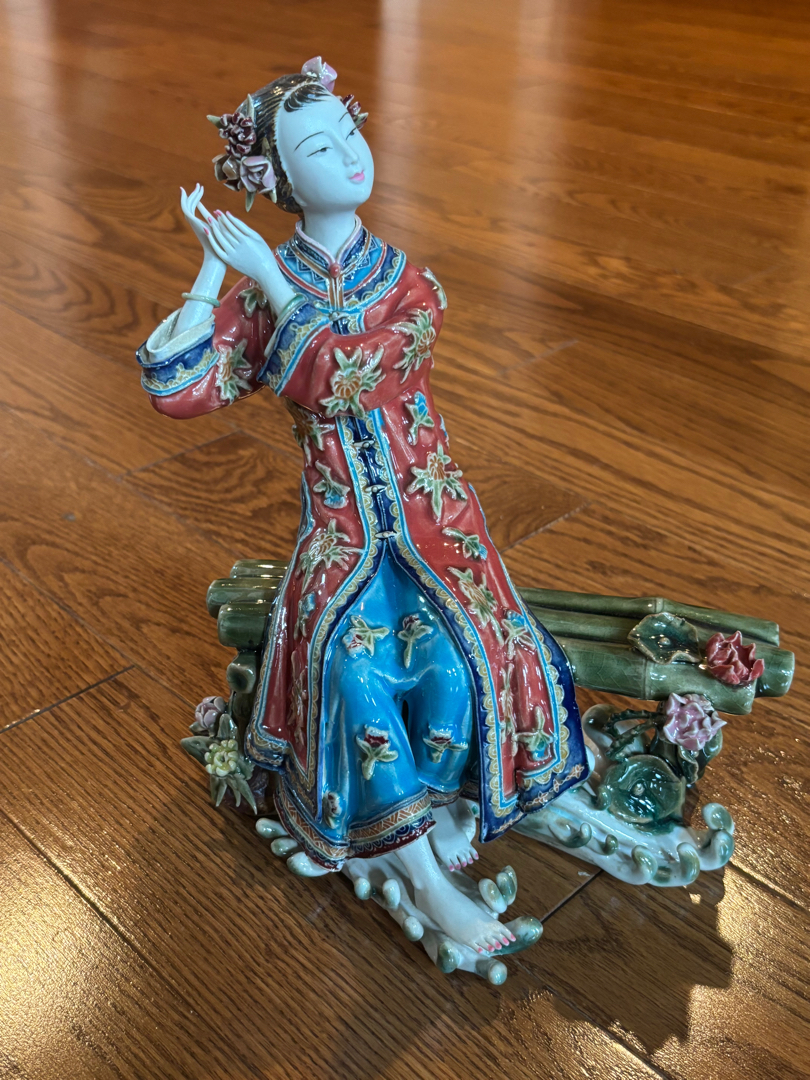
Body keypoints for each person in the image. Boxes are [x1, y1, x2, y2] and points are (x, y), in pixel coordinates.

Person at [136, 57, 587, 955]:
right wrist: (209, 272)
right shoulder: (265, 285)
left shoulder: (410, 285)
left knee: (458, 662)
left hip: (434, 522)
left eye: (349, 129)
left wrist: (272, 284)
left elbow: (350, 376)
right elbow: (179, 390)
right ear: (277, 179)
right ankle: (423, 877)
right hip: (342, 538)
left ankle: (449, 798)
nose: (348, 153)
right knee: (349, 673)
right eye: (317, 148)